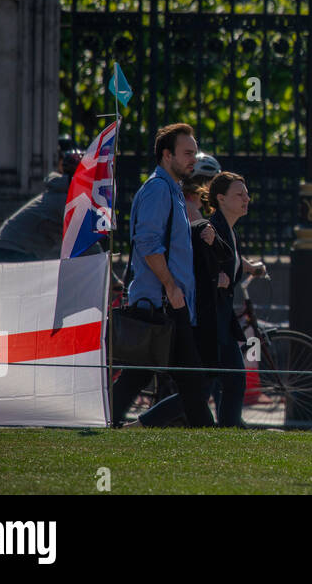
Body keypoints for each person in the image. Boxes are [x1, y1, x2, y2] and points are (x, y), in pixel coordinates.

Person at [110, 123, 215, 428]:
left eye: (194, 153)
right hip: (164, 302)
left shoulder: (172, 191)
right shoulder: (158, 190)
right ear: (166, 155)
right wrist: (170, 285)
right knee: (193, 381)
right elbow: (147, 243)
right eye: (187, 153)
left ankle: (109, 424)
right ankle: (207, 439)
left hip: (170, 301)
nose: (192, 159)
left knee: (155, 376)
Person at [203, 172, 266, 426]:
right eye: (239, 194)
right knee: (199, 390)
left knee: (234, 378)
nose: (246, 199)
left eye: (247, 193)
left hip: (223, 319)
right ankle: (139, 424)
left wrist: (250, 268)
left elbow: (232, 260)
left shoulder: (229, 230)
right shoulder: (211, 228)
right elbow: (195, 265)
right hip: (210, 319)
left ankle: (231, 428)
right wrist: (214, 278)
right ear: (220, 199)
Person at [0, 142, 86, 262]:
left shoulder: (61, 194)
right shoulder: (66, 201)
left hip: (7, 250)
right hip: (10, 252)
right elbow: (87, 242)